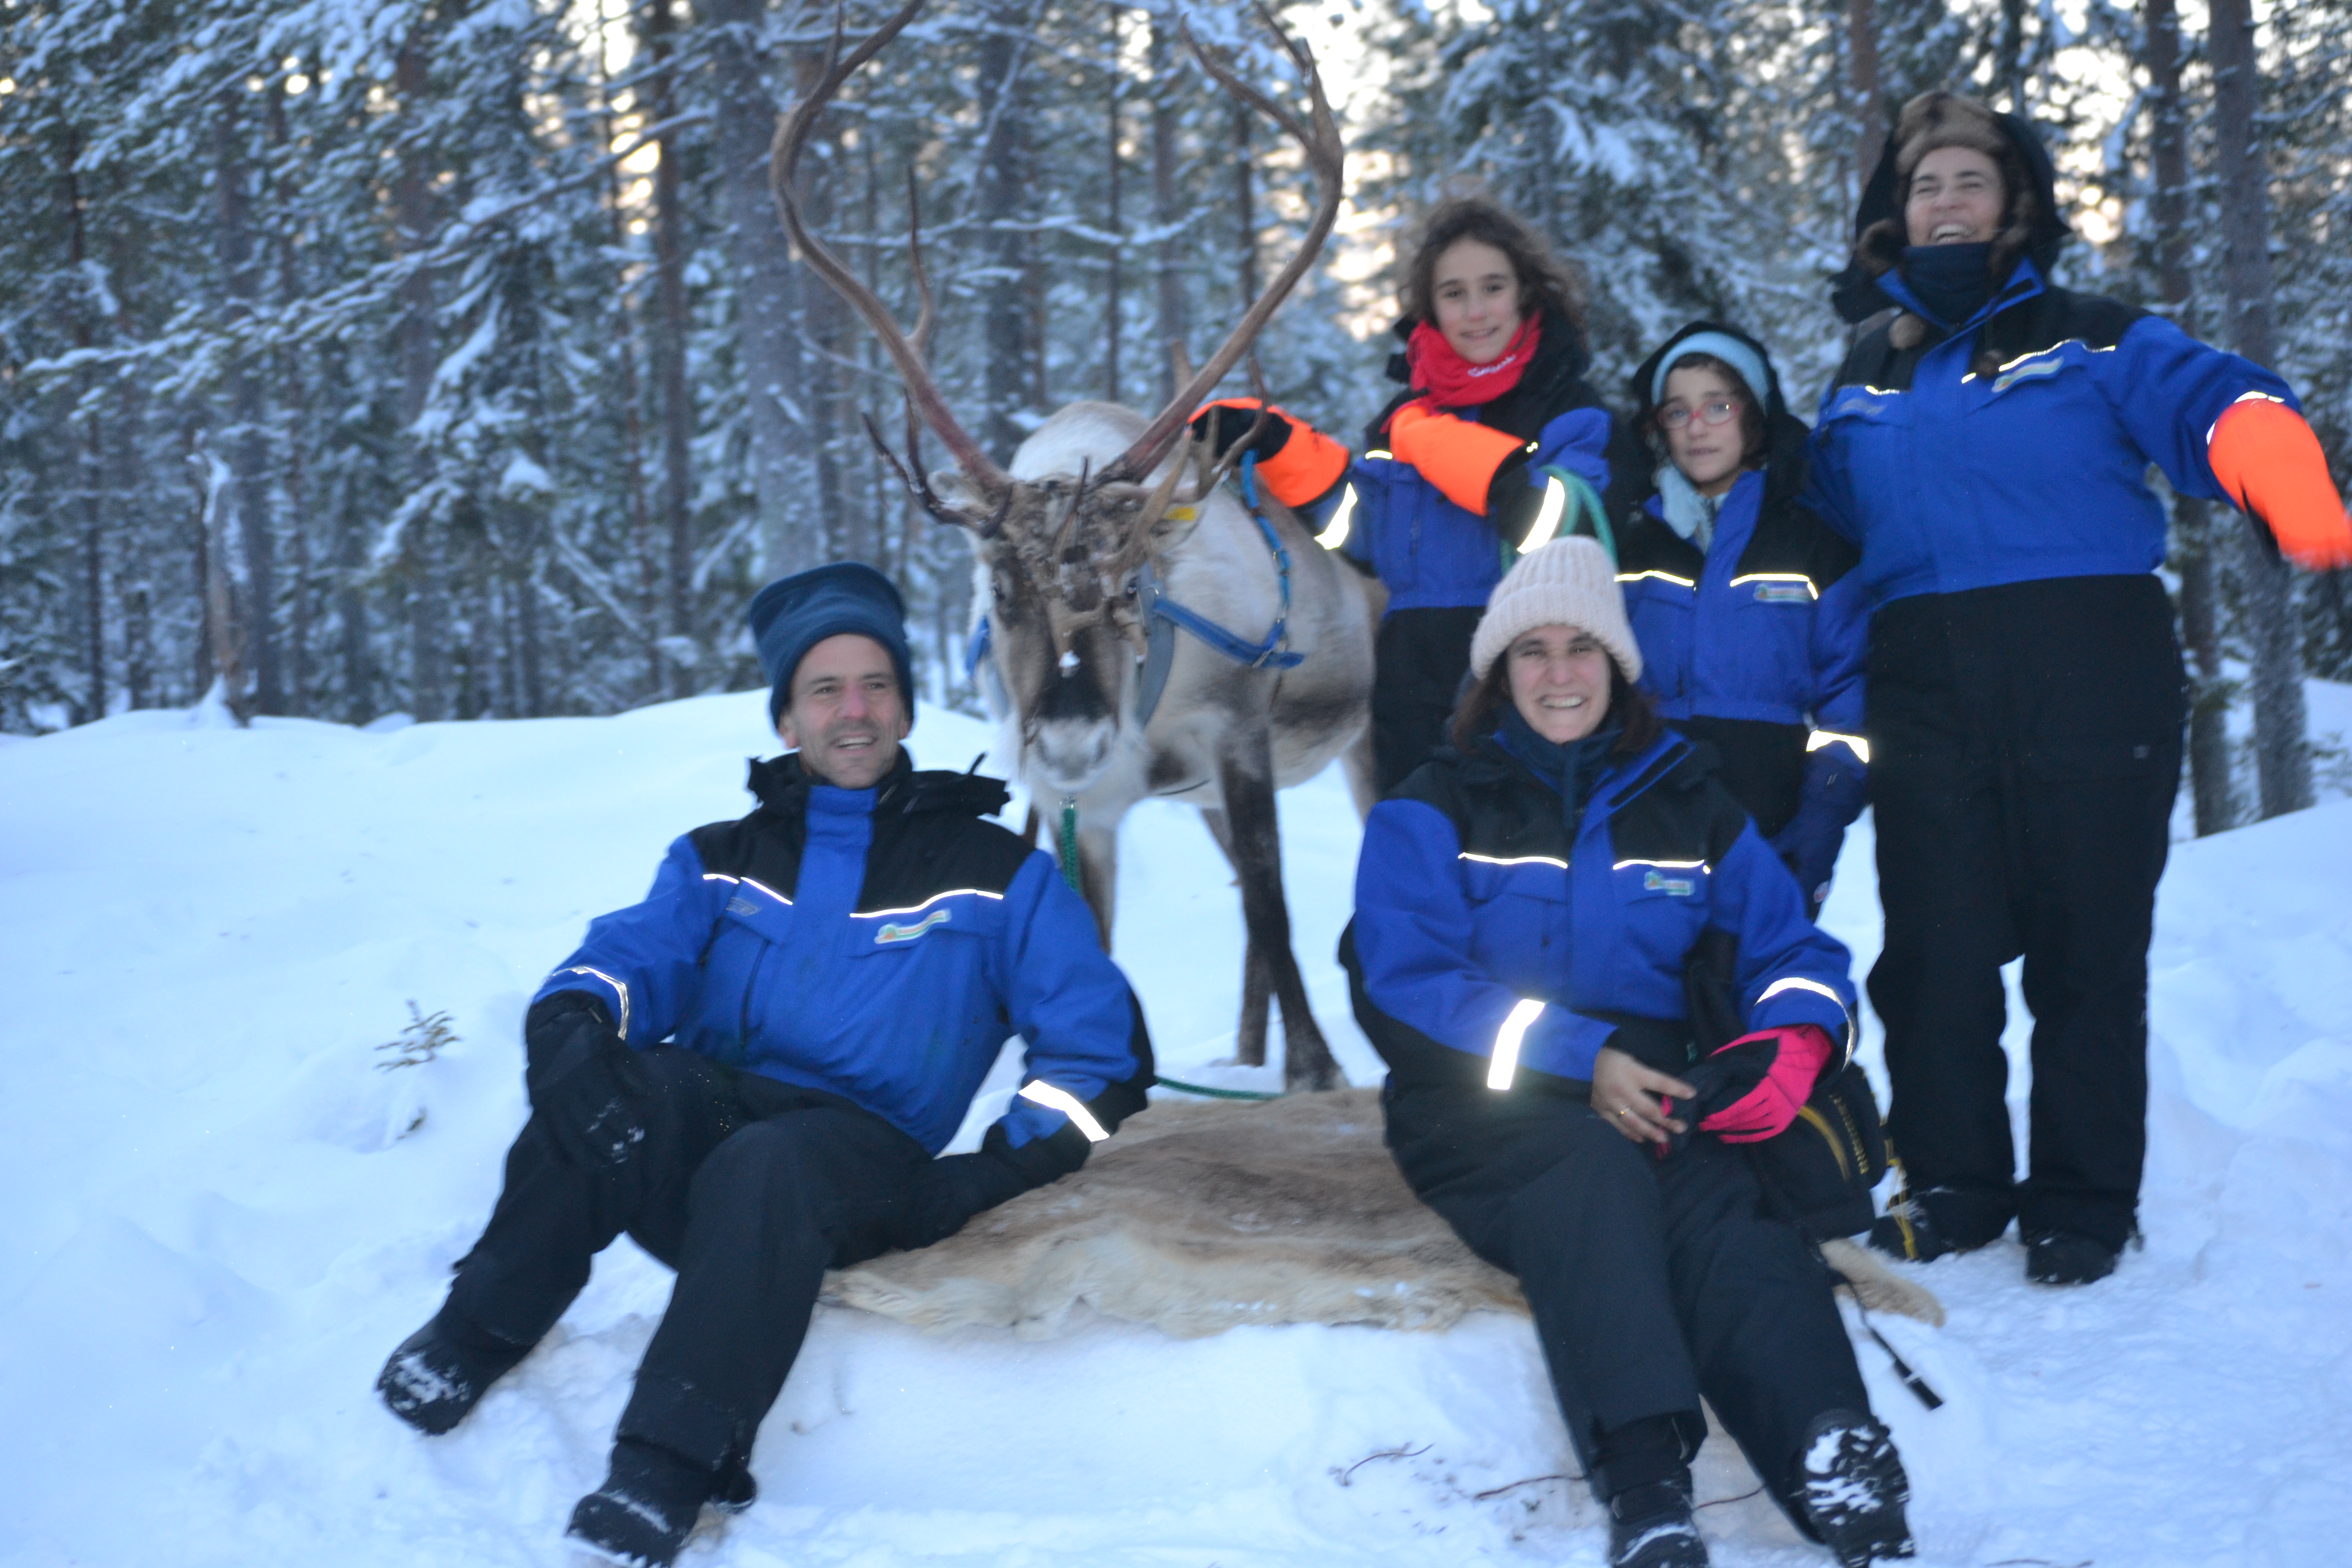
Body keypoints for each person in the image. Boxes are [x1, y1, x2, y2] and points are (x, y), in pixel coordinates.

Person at [375, 562, 1154, 1566]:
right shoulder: (719, 856)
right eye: (824, 690)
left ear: (907, 706)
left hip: (854, 1165)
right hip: (713, 1136)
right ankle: (479, 1331)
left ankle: (668, 1464)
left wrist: (1001, 1166)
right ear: (788, 718)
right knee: (629, 1083)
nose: (854, 711)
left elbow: (1100, 1053)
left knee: (770, 1164)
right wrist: (571, 1027)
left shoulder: (999, 875)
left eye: (875, 685)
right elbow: (631, 957)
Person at [1809, 90, 2352, 1285]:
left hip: (2089, 671)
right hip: (1923, 683)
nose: (1945, 200)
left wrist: (2279, 477)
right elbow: (1823, 535)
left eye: (1968, 180)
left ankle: (2082, 1202)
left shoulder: (2093, 336)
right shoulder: (1859, 377)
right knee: (1933, 954)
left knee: (2084, 952)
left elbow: (2224, 402)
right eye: (1925, 184)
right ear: (1893, 213)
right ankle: (1953, 1184)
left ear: (2015, 202)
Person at [1340, 538, 1914, 1568]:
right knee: (1592, 1180)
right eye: (1533, 652)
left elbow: (1792, 947)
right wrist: (1581, 1059)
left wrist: (1795, 1036)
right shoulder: (1434, 803)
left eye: (1582, 650)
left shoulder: (1692, 797)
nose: (1559, 673)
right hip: (1481, 1101)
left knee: (1727, 1220)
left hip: (1656, 1087)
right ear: (1498, 673)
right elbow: (1408, 980)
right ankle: (1648, 1485)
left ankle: (1838, 1451)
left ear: (1618, 667)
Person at [1188, 195, 1643, 791]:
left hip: (1532, 680)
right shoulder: (1404, 419)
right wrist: (1283, 448)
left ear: (1527, 294)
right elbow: (1366, 532)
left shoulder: (1573, 410)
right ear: (1430, 308)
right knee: (1418, 861)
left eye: (1493, 287)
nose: (1476, 311)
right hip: (1409, 689)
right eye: (1454, 293)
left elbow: (1558, 525)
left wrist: (1431, 440)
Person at [1615, 322, 1871, 918]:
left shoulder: (1811, 541)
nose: (1697, 427)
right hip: (1645, 824)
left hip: (1772, 824)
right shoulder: (1632, 540)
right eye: (1676, 413)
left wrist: (1822, 816)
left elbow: (1851, 697)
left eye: (1718, 406)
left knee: (1758, 995)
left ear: (1754, 414)